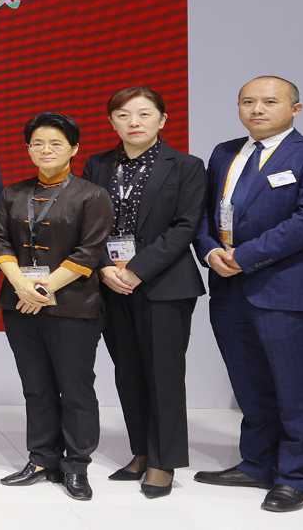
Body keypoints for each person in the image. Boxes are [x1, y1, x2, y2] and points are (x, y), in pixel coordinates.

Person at [190, 75, 303, 512]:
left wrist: (244, 256)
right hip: (228, 285)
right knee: (249, 383)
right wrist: (209, 251)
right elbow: (204, 214)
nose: (257, 109)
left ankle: (297, 476)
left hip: (288, 287)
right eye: (248, 102)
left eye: (270, 102)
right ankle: (257, 464)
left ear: (295, 108)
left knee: (297, 387)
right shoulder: (224, 153)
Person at [82, 87, 208, 498]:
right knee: (128, 371)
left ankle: (163, 461)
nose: (133, 122)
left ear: (162, 120)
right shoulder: (98, 164)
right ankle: (140, 451)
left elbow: (185, 226)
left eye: (143, 114)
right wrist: (104, 267)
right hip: (111, 284)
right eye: (123, 115)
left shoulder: (186, 166)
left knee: (164, 374)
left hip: (164, 284)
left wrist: (137, 270)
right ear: (112, 122)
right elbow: (87, 223)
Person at [0, 112, 113, 501]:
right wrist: (21, 286)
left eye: (55, 143)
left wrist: (40, 289)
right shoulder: (13, 193)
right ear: (28, 149)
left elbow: (89, 251)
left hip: (73, 306)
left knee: (75, 388)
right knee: (36, 386)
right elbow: (0, 242)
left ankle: (76, 464)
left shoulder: (92, 195)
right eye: (37, 143)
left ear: (74, 149)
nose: (45, 150)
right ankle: (42, 459)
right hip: (19, 303)